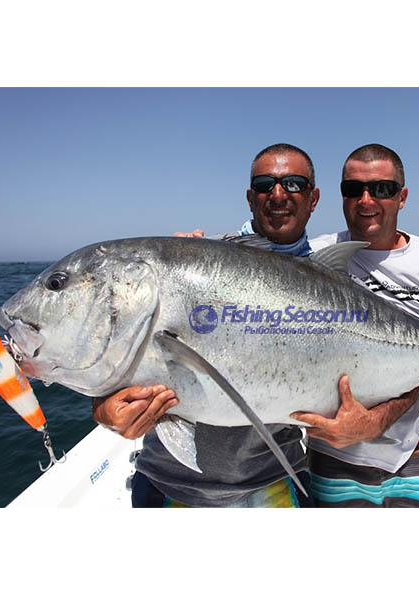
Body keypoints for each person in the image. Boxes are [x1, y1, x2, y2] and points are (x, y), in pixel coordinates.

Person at [93, 143, 321, 507]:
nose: (278, 194)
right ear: (250, 197)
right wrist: (105, 409)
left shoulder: (332, 281)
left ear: (313, 197)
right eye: (265, 185)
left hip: (275, 480)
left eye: (294, 183)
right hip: (169, 484)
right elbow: (129, 354)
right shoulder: (196, 260)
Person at [290, 143, 419, 507]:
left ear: (402, 197)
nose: (366, 200)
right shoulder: (313, 256)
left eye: (382, 189)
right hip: (336, 442)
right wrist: (190, 248)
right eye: (353, 189)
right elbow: (250, 263)